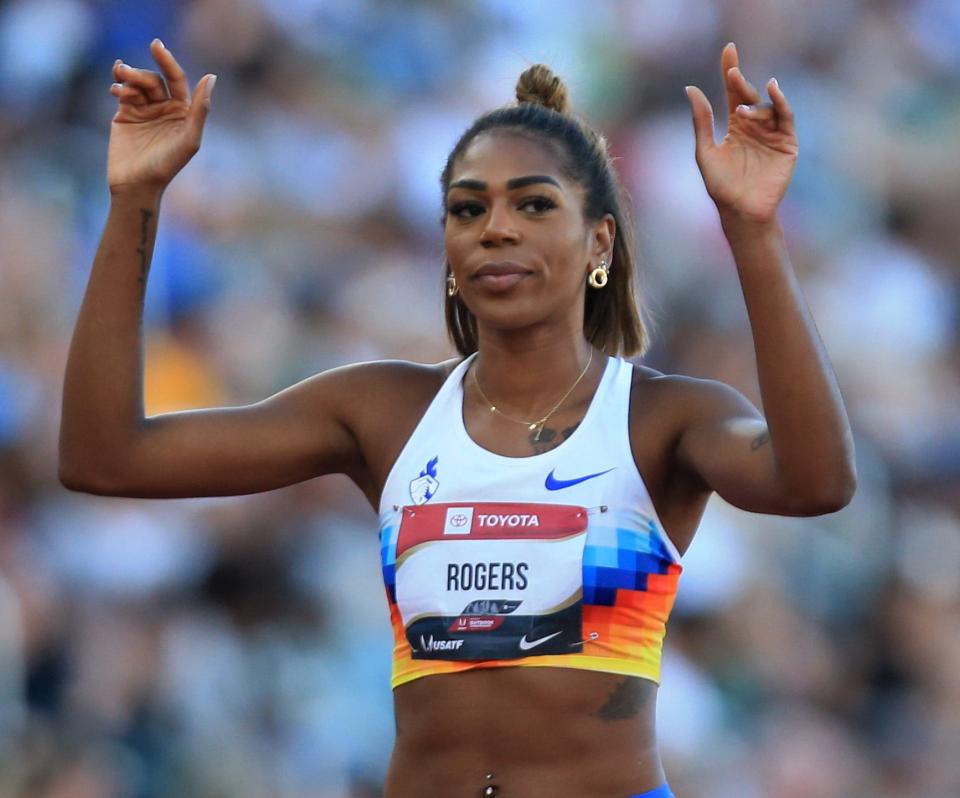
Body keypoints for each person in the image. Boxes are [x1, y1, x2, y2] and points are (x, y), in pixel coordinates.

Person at [59, 38, 856, 798]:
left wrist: (750, 229)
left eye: (534, 205)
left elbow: (816, 481)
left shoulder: (662, 416)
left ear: (599, 241)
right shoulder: (382, 410)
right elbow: (106, 458)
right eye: (467, 209)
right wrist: (136, 198)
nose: (496, 228)